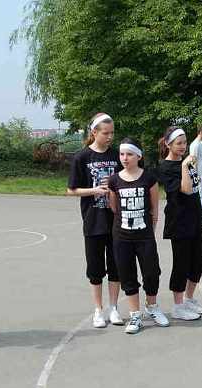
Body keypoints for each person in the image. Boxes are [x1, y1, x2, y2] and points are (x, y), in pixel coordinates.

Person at [67, 113, 122, 329]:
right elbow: (71, 190)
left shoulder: (118, 156)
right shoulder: (82, 157)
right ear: (94, 132)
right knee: (96, 268)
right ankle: (98, 310)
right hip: (93, 221)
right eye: (105, 133)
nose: (110, 137)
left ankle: (114, 308)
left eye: (112, 133)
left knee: (116, 266)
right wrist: (95, 190)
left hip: (116, 221)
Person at [107, 138, 168, 334]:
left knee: (151, 272)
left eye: (129, 154)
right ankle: (135, 315)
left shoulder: (149, 178)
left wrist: (151, 229)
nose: (125, 158)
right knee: (127, 274)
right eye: (122, 154)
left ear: (138, 156)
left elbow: (154, 209)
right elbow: (114, 207)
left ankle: (152, 307)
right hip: (122, 236)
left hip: (144, 235)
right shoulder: (114, 180)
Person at [158, 126, 202, 321]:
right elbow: (186, 189)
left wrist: (188, 166)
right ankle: (178, 306)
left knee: (199, 259)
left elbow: (196, 184)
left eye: (185, 142)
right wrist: (185, 167)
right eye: (178, 143)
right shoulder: (166, 167)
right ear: (168, 144)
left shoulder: (185, 162)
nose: (183, 146)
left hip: (195, 217)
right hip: (179, 221)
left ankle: (188, 299)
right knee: (182, 263)